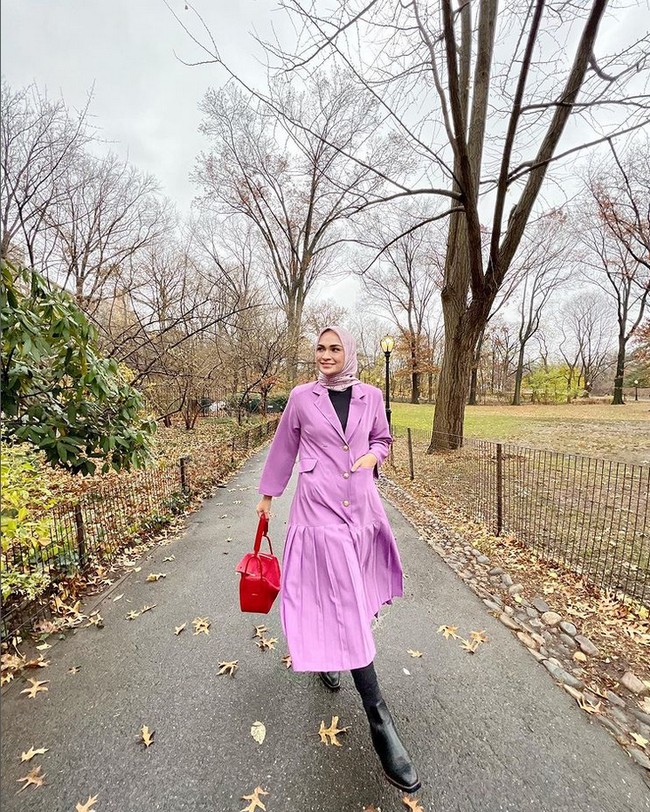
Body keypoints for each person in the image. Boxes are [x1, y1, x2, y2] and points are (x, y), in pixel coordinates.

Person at [255, 325, 420, 794]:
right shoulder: (302, 398)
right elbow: (284, 447)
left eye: (335, 348)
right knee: (344, 601)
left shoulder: (370, 394)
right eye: (320, 349)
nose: (326, 355)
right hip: (318, 511)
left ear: (349, 350)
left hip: (361, 510)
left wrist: (373, 458)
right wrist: (268, 495)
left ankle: (331, 655)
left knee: (348, 597)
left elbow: (382, 440)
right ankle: (379, 719)